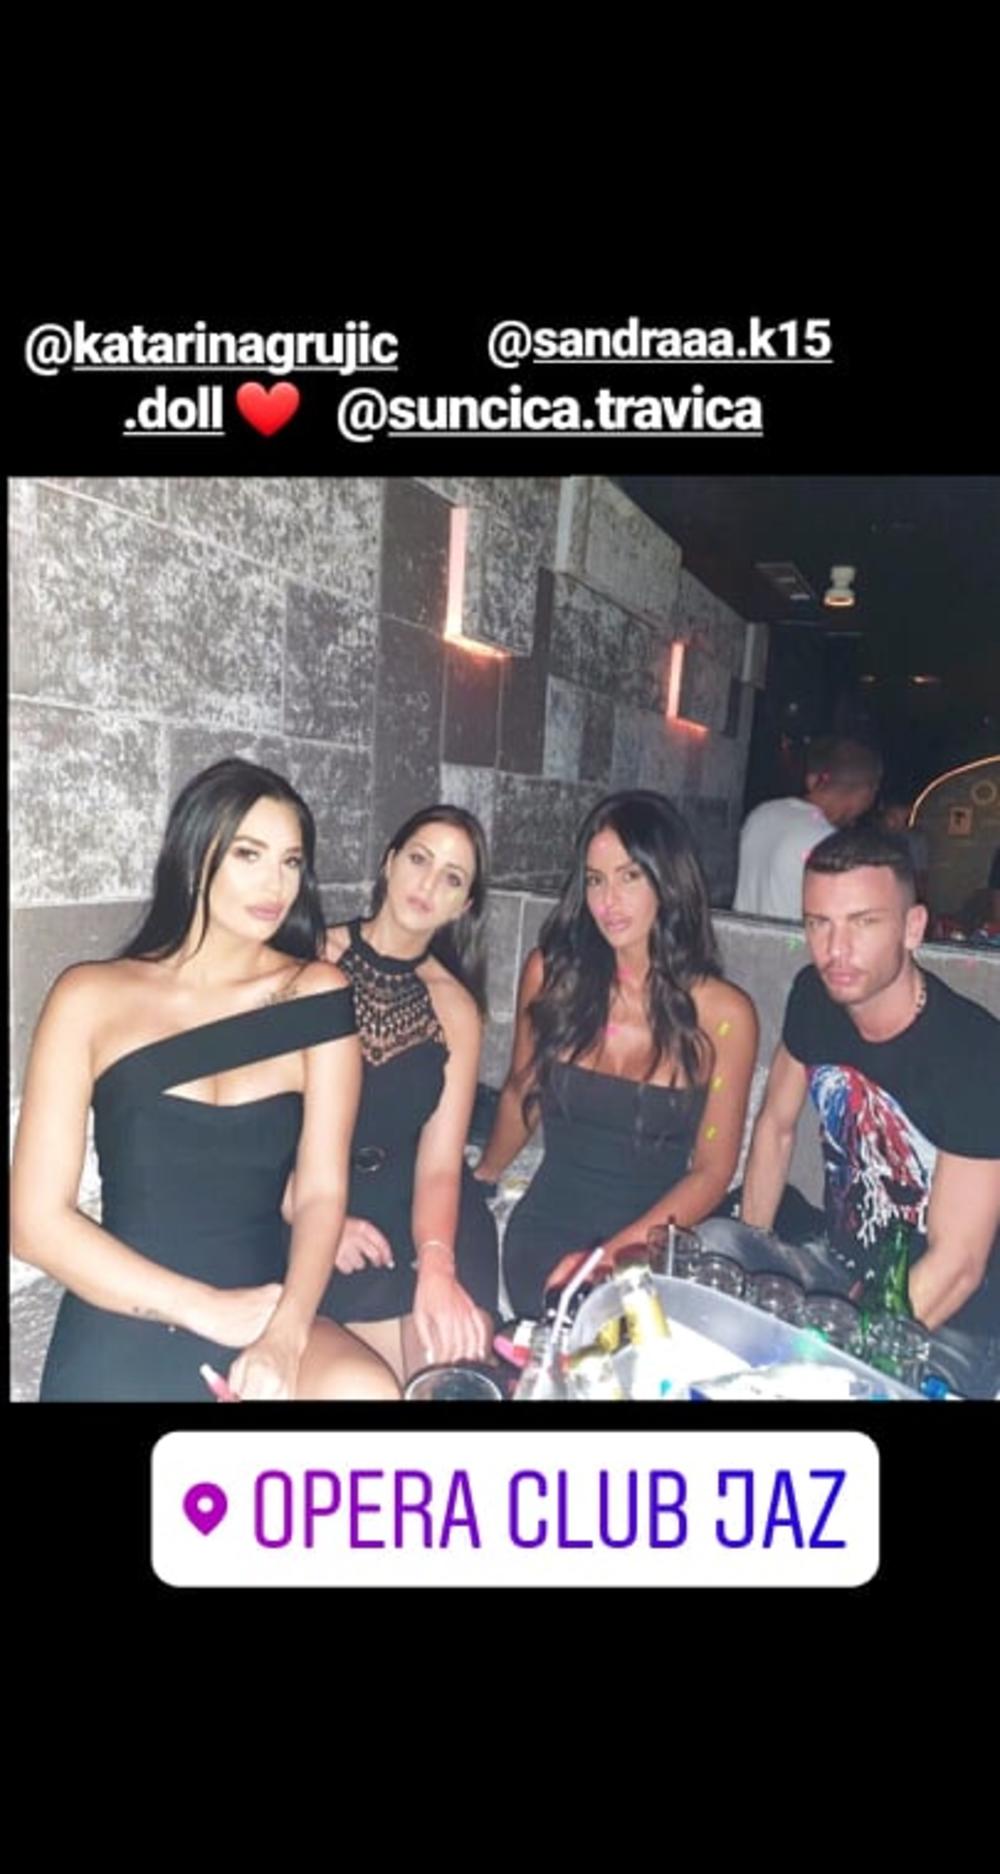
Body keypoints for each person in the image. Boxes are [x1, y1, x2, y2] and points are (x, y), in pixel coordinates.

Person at [11, 757, 399, 1403]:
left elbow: (321, 1192)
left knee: (367, 1391)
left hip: (265, 1303)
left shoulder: (317, 993)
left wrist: (286, 1332)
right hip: (125, 1299)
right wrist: (203, 1308)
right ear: (195, 856)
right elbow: (34, 1223)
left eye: (291, 861)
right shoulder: (88, 996)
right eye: (249, 854)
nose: (276, 883)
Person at [721, 825, 1000, 1391]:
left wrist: (836, 1348)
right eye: (818, 923)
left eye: (863, 922)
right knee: (715, 1250)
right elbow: (775, 1127)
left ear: (912, 928)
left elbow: (959, 1264)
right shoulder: (813, 996)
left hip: (939, 1322)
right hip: (833, 1268)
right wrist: (751, 1255)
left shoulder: (975, 1054)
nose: (836, 950)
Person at [474, 790, 758, 1317]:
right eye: (595, 879)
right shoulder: (552, 976)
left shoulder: (724, 1015)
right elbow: (520, 1093)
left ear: (668, 881)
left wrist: (608, 1259)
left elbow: (712, 1172)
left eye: (630, 876)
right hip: (546, 1232)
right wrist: (481, 1178)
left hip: (650, 1248)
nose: (609, 900)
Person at [318, 806, 499, 1384]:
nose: (428, 883)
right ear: (389, 862)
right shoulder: (308, 957)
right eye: (419, 859)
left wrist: (438, 1263)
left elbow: (442, 1164)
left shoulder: (455, 1007)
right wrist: (314, 1214)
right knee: (386, 1386)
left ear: (464, 905)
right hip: (324, 1198)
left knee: (451, 1384)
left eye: (452, 877)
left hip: (431, 1210)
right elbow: (260, 1119)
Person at [733, 736, 882, 920]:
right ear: (866, 793)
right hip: (791, 939)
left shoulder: (761, 814)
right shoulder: (826, 842)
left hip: (740, 936)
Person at [877, 794, 930, 903]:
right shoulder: (872, 839)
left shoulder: (915, 840)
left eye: (906, 819)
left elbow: (921, 876)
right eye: (892, 817)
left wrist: (921, 900)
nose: (896, 824)